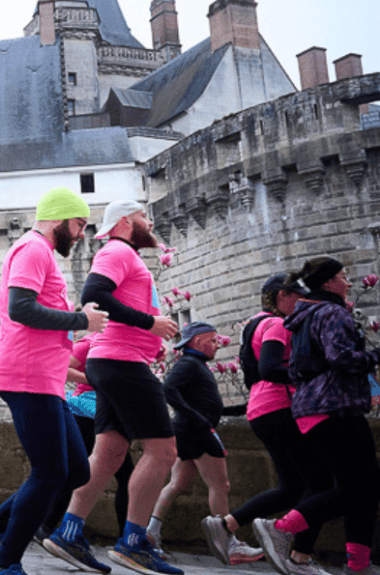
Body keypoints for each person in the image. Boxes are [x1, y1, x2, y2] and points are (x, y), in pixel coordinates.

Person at [0, 187, 107, 575]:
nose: (80, 234)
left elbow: (35, 309)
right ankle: (5, 562)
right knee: (50, 472)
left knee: (75, 470)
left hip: (46, 378)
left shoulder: (39, 253)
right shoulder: (34, 249)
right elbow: (21, 308)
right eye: (79, 224)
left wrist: (78, 313)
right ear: (58, 218)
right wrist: (81, 322)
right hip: (28, 376)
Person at [43, 200, 181, 575]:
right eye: (143, 216)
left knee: (109, 454)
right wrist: (149, 323)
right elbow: (94, 294)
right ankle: (133, 542)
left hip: (112, 363)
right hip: (122, 362)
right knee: (164, 452)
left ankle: (68, 532)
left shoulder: (124, 254)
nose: (149, 222)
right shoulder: (118, 250)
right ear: (125, 220)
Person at [255, 258, 380, 575]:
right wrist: (375, 356)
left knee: (359, 489)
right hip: (336, 407)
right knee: (360, 488)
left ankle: (358, 565)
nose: (349, 283)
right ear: (327, 282)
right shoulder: (332, 312)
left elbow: (297, 368)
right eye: (342, 276)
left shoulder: (302, 318)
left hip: (310, 410)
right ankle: (281, 527)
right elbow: (342, 357)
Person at [222, 273, 333, 575]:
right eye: (298, 297)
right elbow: (270, 367)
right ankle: (297, 554)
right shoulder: (277, 324)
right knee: (323, 484)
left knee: (293, 486)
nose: (304, 303)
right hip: (280, 408)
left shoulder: (256, 324)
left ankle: (226, 526)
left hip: (263, 410)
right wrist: (314, 374)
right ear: (282, 296)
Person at [146, 322, 263, 566]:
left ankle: (151, 533)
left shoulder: (194, 365)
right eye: (212, 341)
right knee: (220, 485)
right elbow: (168, 389)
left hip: (187, 429)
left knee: (178, 483)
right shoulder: (189, 364)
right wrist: (197, 419)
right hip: (196, 432)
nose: (217, 346)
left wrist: (237, 409)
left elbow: (202, 401)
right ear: (198, 342)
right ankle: (227, 542)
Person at [38, 332, 134, 543]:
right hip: (86, 413)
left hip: (108, 412)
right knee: (91, 473)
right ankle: (127, 540)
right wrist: (94, 380)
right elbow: (62, 368)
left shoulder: (120, 342)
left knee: (94, 473)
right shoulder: (88, 343)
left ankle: (47, 527)